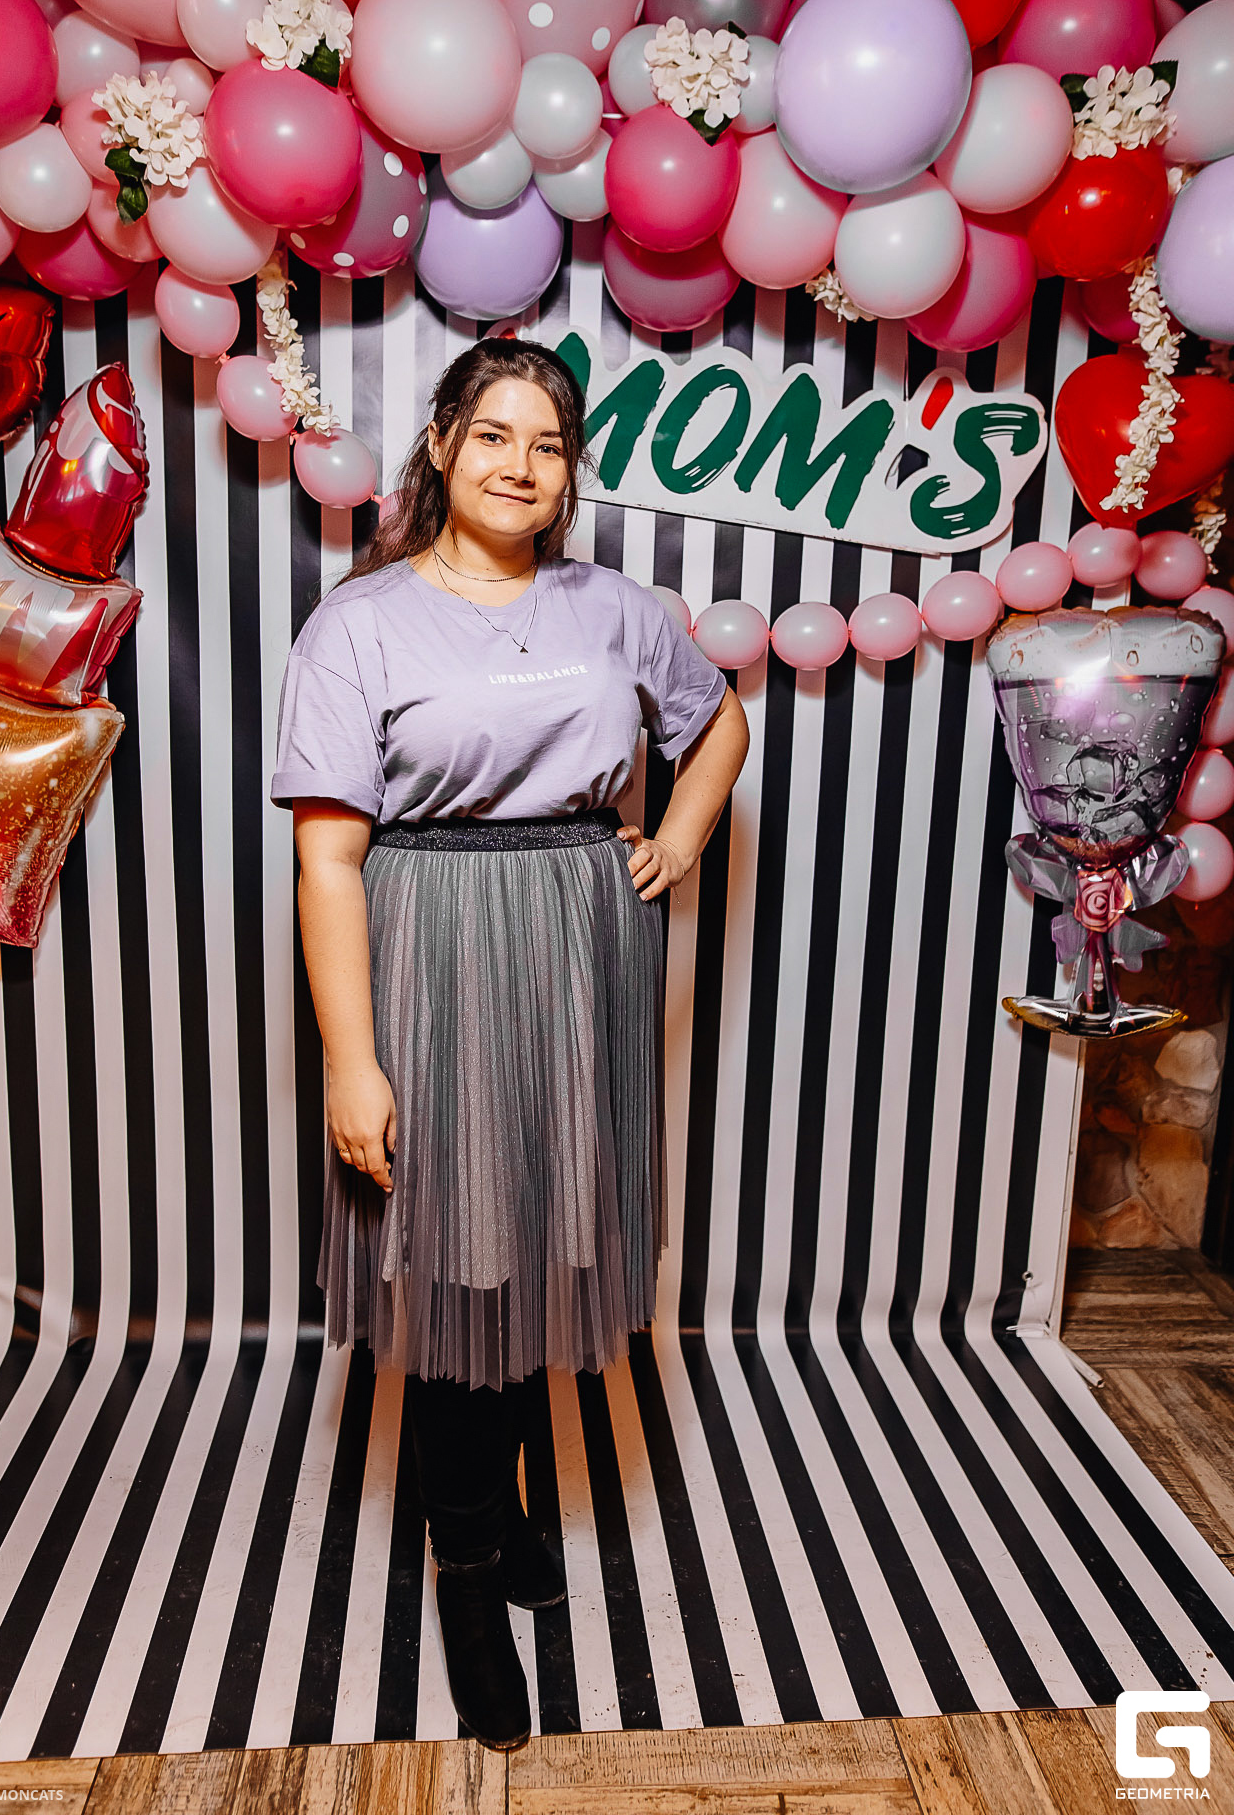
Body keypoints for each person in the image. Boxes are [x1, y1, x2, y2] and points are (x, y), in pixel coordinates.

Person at [269, 336, 748, 1751]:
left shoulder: (616, 610)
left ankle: (511, 1512)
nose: (520, 466)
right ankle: (470, 1573)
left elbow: (718, 726)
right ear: (441, 445)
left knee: (542, 1237)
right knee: (457, 1254)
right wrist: (354, 1060)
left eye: (547, 444)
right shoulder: (358, 623)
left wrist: (676, 837)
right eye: (493, 435)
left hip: (583, 948)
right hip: (433, 947)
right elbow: (328, 863)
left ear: (569, 470)